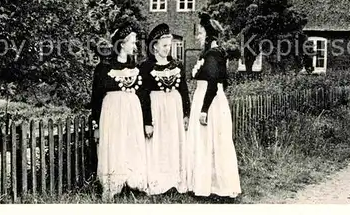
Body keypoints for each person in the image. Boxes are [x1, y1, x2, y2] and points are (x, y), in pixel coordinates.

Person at [89, 19, 151, 201]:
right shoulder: (104, 68)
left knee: (132, 145)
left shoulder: (136, 68)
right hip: (112, 114)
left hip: (132, 115)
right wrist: (96, 125)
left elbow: (144, 96)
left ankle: (133, 183)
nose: (135, 45)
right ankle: (112, 186)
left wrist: (147, 121)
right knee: (114, 145)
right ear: (122, 44)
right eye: (132, 42)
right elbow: (96, 99)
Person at [186, 12, 241, 199]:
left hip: (208, 100)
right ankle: (216, 185)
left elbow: (211, 82)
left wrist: (204, 109)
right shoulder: (219, 54)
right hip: (217, 100)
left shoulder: (211, 54)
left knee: (205, 142)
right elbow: (222, 82)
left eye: (200, 33)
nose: (198, 37)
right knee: (215, 143)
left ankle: (206, 188)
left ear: (208, 35)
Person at [138, 23, 191, 195]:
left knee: (174, 142)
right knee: (158, 144)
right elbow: (143, 96)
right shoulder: (146, 67)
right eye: (164, 46)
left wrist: (185, 113)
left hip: (174, 111)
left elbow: (184, 90)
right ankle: (159, 182)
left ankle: (175, 182)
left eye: (170, 46)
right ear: (155, 46)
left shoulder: (177, 65)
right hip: (157, 110)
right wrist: (147, 121)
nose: (168, 49)